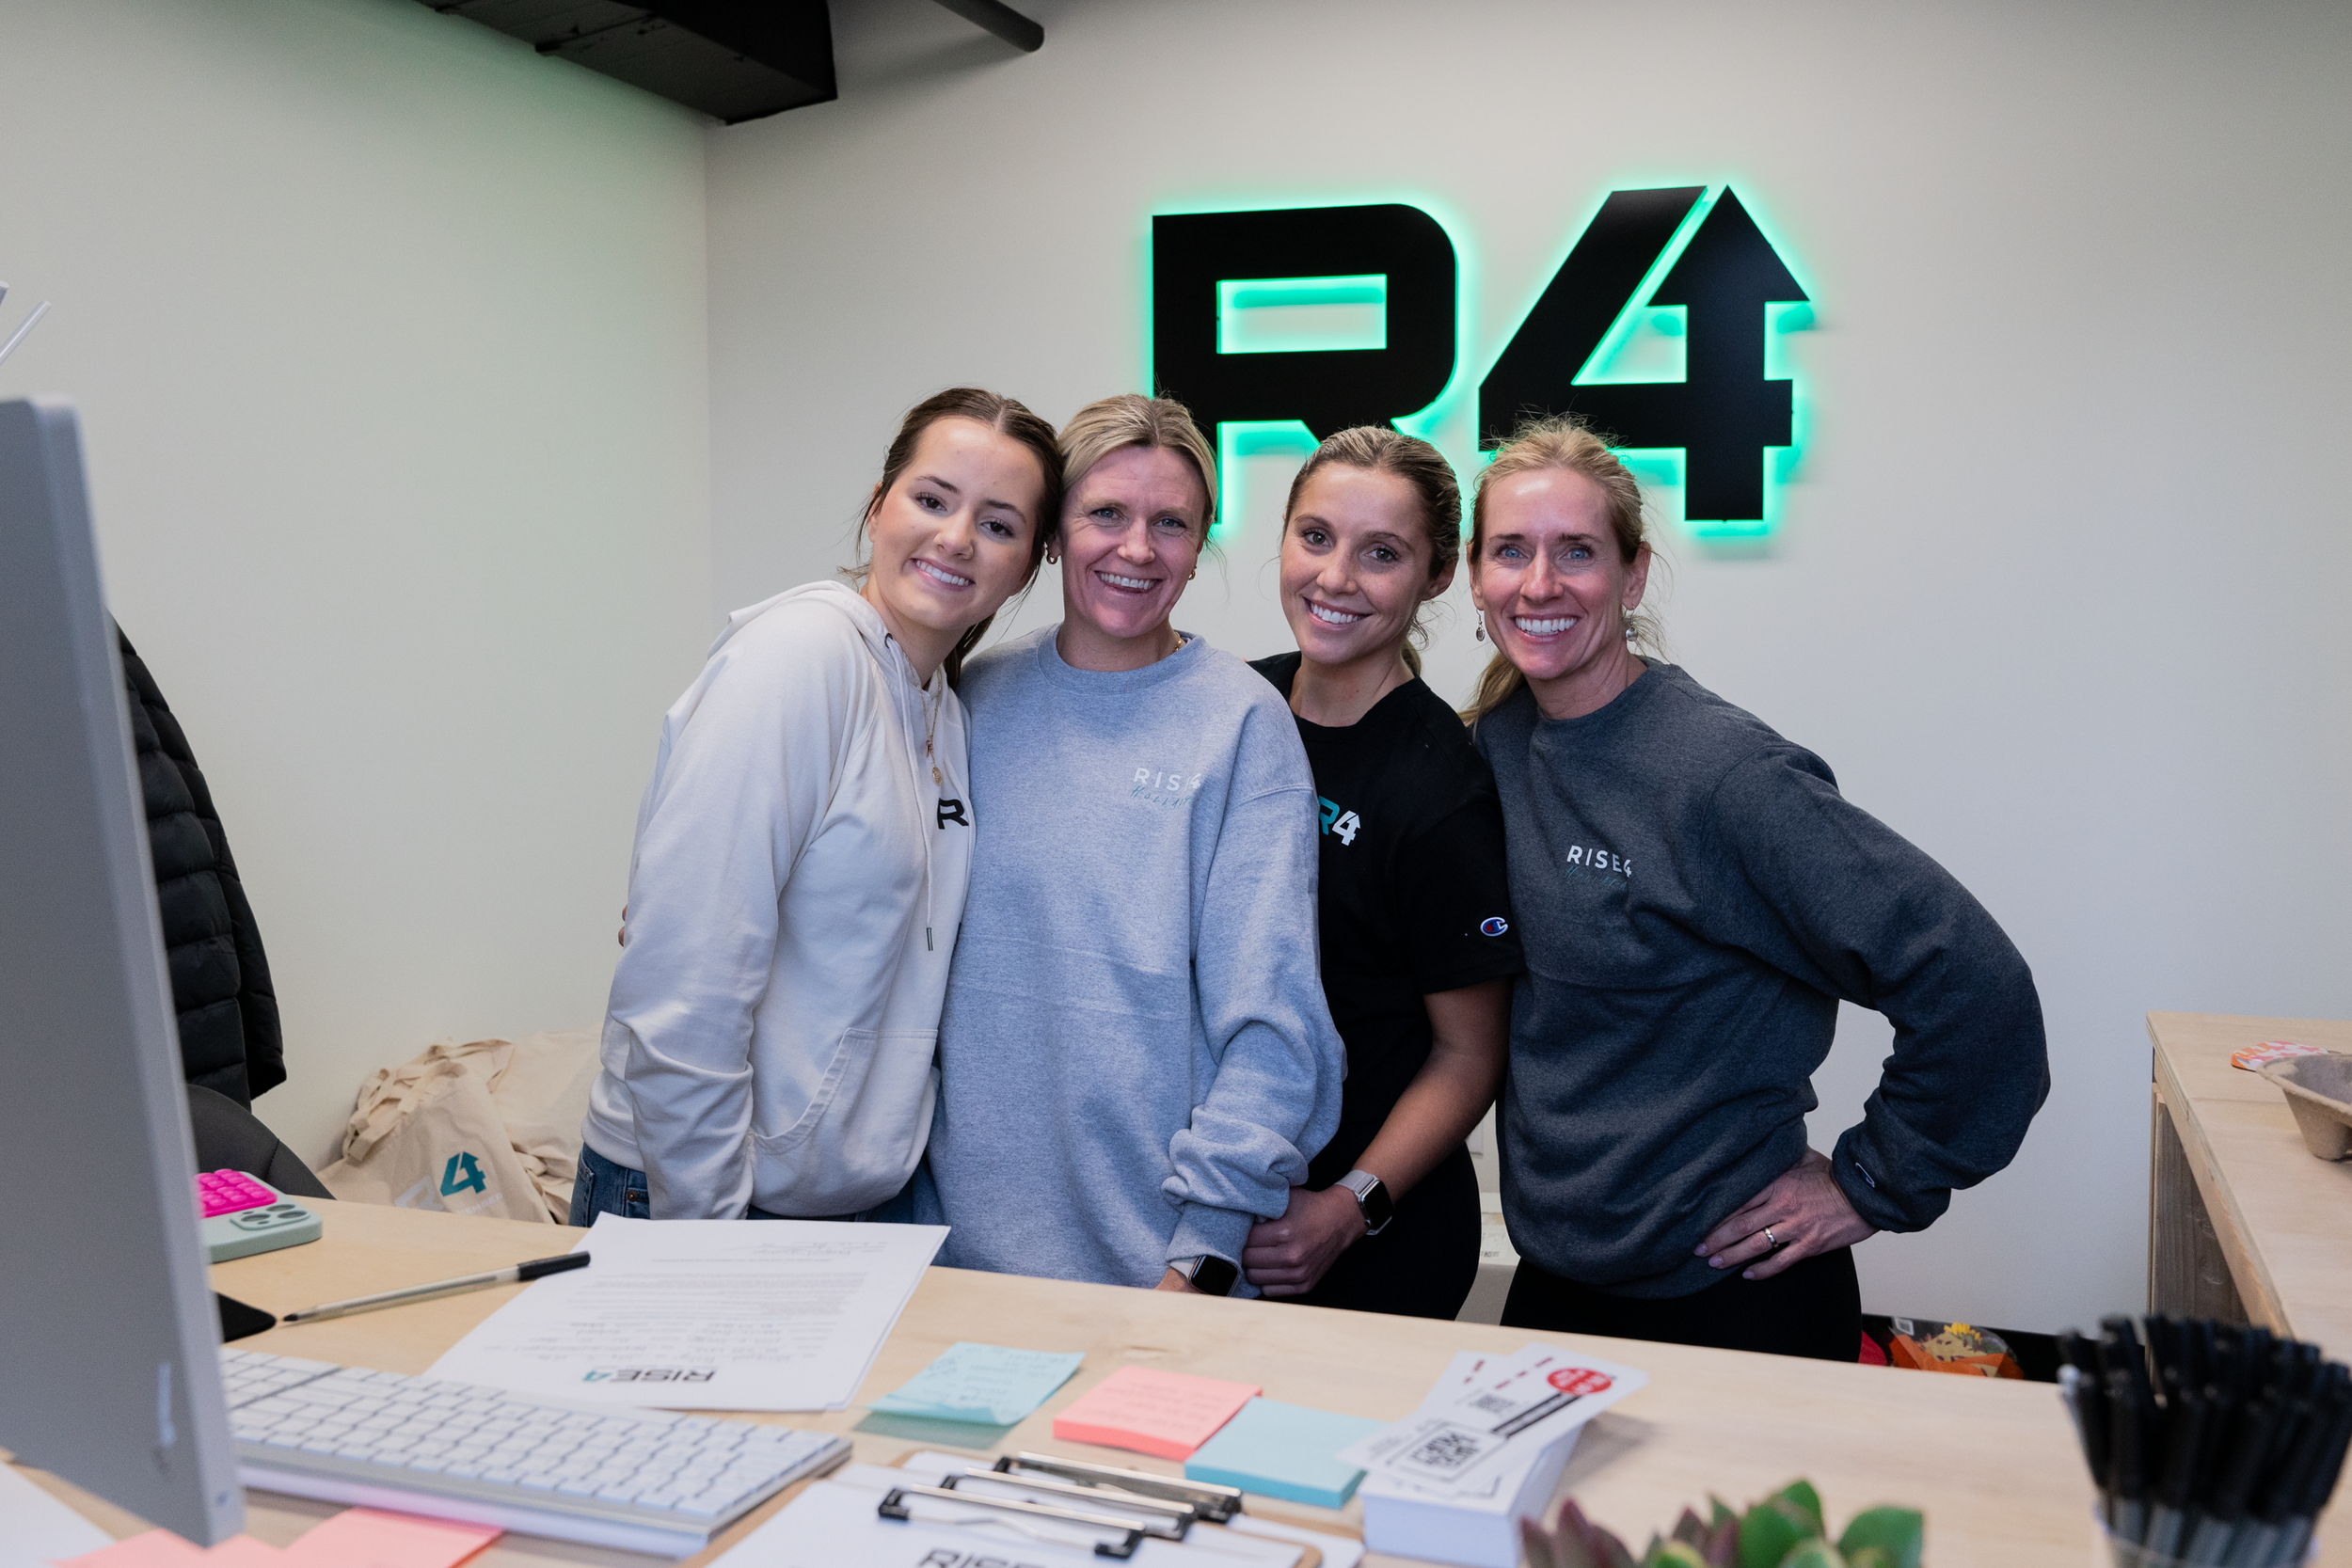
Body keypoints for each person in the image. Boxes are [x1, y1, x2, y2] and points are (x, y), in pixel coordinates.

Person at [1463, 414, 2048, 1361]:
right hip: (1560, 1279)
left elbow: (1974, 981)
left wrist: (1871, 1183)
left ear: (1633, 573)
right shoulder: (1496, 742)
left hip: (1729, 1295)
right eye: (1510, 551)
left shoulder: (1721, 776)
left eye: (1576, 551)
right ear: (1474, 574)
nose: (1539, 583)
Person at [575, 388, 1061, 1223]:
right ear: (878, 508)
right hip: (705, 1190)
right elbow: (685, 976)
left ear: (1027, 564)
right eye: (932, 499)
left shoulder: (942, 704)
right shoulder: (799, 657)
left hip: (846, 1195)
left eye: (998, 523)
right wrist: (708, 1229)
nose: (956, 537)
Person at [914, 393, 1346, 1298]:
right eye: (1106, 513)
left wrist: (1199, 1256)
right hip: (953, 1268)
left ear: (1200, 548)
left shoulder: (1241, 724)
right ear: (1052, 534)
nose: (1137, 548)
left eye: (1172, 523)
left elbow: (1276, 1034)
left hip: (1159, 1272)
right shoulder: (975, 697)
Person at [1241, 427, 1519, 1319]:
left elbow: (1469, 1053)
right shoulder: (1231, 707)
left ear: (1437, 576)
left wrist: (1348, 1207)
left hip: (1360, 1241)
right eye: (1315, 537)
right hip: (1229, 1206)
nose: (1335, 577)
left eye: (1382, 554)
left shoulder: (1441, 788)